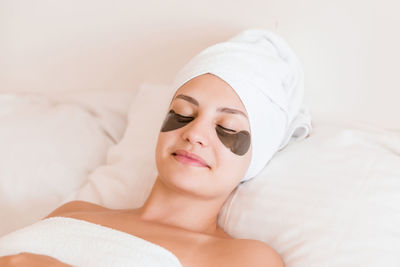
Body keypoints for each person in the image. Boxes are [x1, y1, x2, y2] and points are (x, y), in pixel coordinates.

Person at [0, 29, 310, 266]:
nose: (194, 133)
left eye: (227, 128)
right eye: (184, 114)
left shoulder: (242, 258)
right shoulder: (73, 213)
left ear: (256, 156)